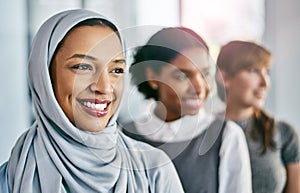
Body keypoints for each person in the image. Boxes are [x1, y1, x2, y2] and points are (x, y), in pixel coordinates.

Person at [0, 9, 185, 193]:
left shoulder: (153, 170)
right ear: (45, 76)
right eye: (83, 67)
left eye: (116, 70)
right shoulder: (12, 179)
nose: (104, 87)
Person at [120, 27, 252, 193]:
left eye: (205, 74)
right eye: (182, 76)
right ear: (152, 76)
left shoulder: (226, 136)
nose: (199, 88)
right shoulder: (123, 136)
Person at [216, 40, 300, 193]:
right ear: (225, 78)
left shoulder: (284, 132)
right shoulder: (204, 134)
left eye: (266, 72)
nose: (265, 83)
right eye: (254, 71)